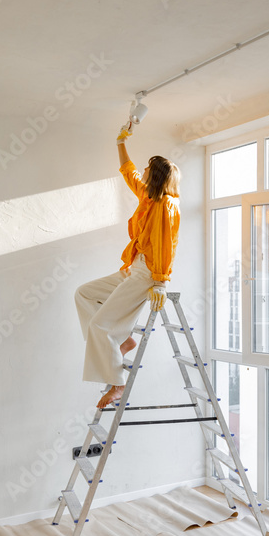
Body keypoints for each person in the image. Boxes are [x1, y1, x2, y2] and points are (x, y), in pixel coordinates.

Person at [75, 123, 181, 409]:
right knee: (84, 293)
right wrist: (121, 141)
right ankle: (119, 344)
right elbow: (129, 172)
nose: (143, 172)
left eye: (148, 169)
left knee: (100, 326)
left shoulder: (165, 206)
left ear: (156, 175)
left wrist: (161, 281)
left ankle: (118, 383)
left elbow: (165, 245)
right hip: (133, 266)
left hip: (147, 272)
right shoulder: (148, 197)